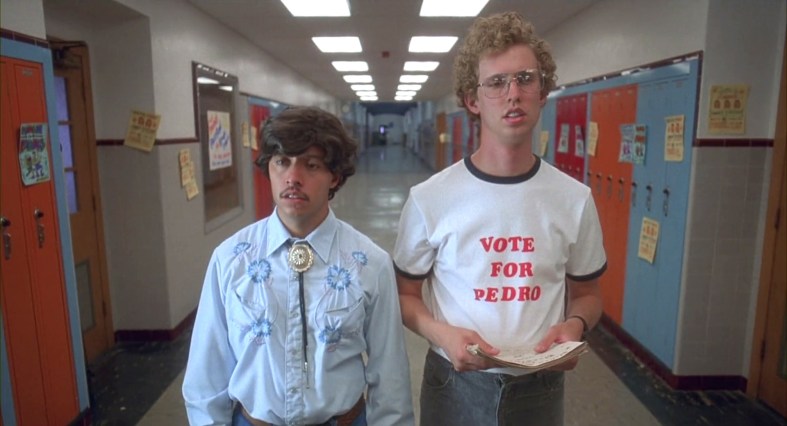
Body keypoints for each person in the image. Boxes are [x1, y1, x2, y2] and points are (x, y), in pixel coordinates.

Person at [392, 11, 607, 426]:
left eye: (525, 79)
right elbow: (405, 295)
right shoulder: (430, 198)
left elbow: (588, 293)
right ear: (472, 101)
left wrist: (576, 324)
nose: (513, 94)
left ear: (542, 92)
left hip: (540, 388)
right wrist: (442, 334)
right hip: (453, 385)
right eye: (496, 82)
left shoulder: (574, 199)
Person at [183, 106, 414, 425]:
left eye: (311, 165)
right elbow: (206, 373)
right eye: (282, 162)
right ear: (269, 169)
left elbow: (390, 374)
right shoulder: (231, 259)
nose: (293, 178)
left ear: (334, 176)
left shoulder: (369, 262)